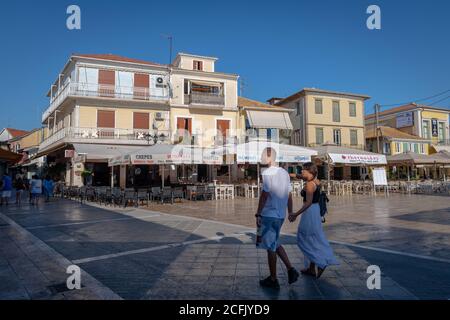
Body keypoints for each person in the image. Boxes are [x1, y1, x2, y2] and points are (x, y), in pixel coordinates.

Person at [256, 147, 299, 289]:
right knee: (274, 242)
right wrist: (290, 211)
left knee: (270, 247)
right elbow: (289, 194)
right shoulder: (285, 173)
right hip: (280, 215)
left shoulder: (267, 172)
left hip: (269, 214)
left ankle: (273, 279)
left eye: (263, 155)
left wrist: (258, 213)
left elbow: (265, 194)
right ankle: (290, 269)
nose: (261, 157)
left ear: (269, 157)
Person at [289, 162, 338, 279]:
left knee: (303, 237)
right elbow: (298, 176)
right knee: (312, 238)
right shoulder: (316, 180)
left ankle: (320, 262)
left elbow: (308, 203)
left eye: (303, 170)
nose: (301, 172)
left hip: (310, 211)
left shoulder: (310, 184)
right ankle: (311, 268)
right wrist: (286, 174)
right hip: (314, 211)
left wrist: (295, 214)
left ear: (310, 171)